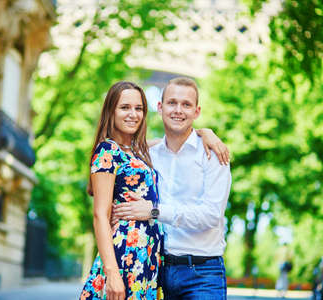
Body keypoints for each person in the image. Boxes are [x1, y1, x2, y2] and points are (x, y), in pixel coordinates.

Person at [79, 80, 229, 300]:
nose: (178, 110)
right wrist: (111, 272)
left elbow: (212, 215)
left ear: (197, 111)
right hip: (145, 264)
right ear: (160, 108)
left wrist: (205, 132)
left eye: (186, 105)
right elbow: (100, 213)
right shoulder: (134, 152)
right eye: (172, 103)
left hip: (196, 272)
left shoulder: (149, 152)